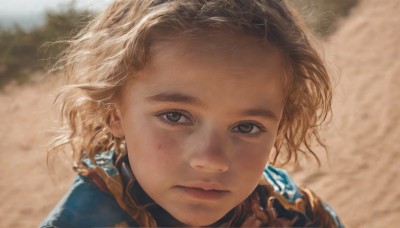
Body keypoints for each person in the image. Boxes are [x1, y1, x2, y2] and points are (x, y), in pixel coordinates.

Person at [41, 0, 344, 227]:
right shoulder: (80, 221)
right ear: (114, 113)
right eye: (175, 116)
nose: (211, 161)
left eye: (247, 127)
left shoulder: (292, 212)